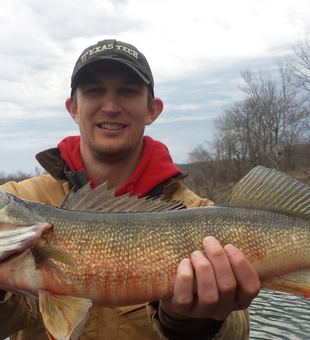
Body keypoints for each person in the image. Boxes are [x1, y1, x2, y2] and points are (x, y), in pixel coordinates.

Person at [0, 39, 261, 340]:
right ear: (73, 108)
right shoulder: (21, 198)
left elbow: (238, 332)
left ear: (152, 110)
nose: (110, 107)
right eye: (95, 90)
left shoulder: (200, 213)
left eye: (128, 91)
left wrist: (189, 323)